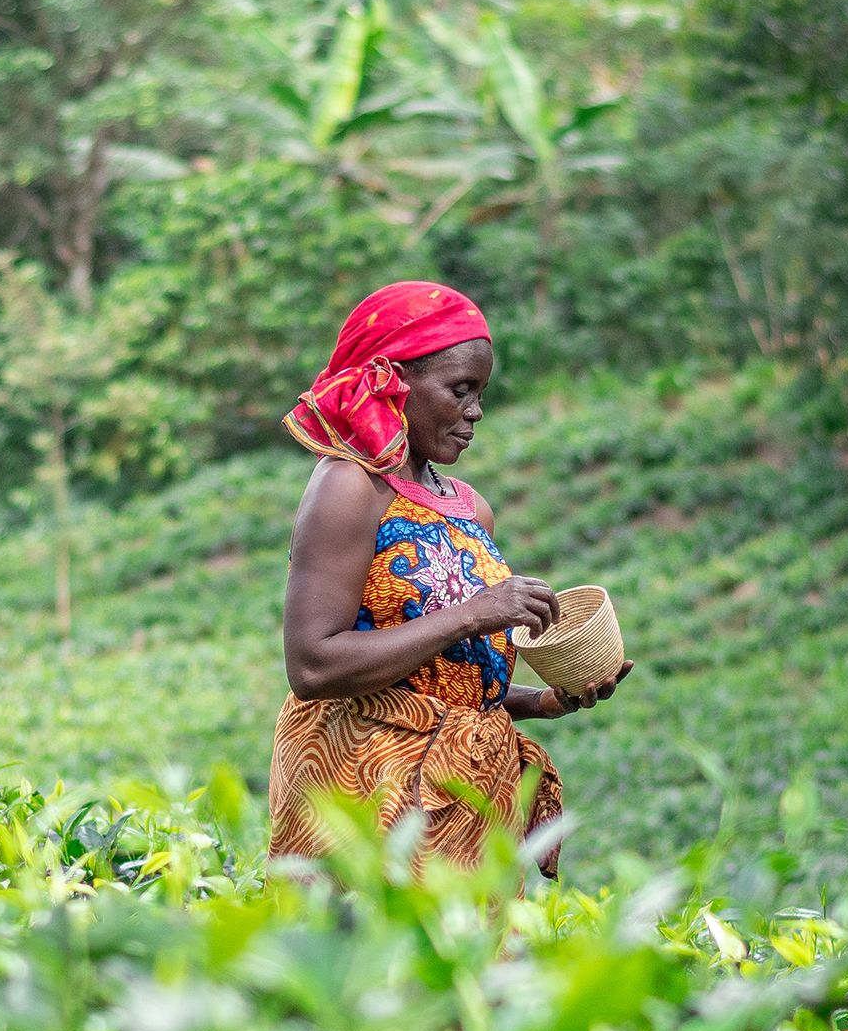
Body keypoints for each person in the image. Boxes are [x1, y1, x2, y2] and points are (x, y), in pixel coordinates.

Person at [268, 281, 630, 875]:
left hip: (467, 800)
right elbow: (313, 667)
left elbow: (440, 686)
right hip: (364, 789)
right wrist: (474, 614)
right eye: (460, 390)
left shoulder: (469, 509)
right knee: (374, 934)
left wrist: (542, 702)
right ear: (392, 382)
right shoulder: (349, 486)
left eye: (481, 393)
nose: (476, 411)